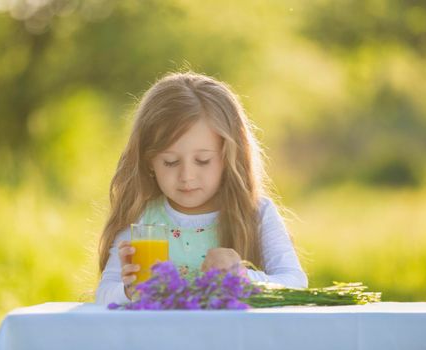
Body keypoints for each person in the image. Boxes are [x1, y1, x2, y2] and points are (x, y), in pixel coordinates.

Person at [95, 71, 307, 305]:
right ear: (149, 162)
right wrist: (130, 291)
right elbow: (104, 293)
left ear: (229, 157)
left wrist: (241, 277)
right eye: (171, 162)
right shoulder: (144, 219)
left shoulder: (256, 213)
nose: (187, 176)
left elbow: (295, 281)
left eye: (203, 161)